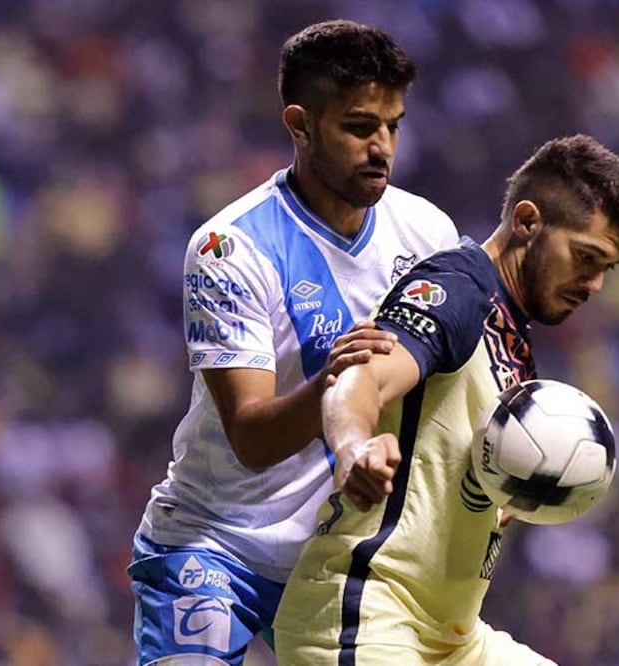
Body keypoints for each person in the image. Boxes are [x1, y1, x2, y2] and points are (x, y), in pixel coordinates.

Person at [127, 20, 460, 664]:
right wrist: (337, 381)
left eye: (393, 126)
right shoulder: (231, 248)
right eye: (359, 127)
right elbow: (252, 439)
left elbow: (455, 386)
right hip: (215, 542)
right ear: (300, 125)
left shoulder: (428, 234)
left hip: (335, 559)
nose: (382, 148)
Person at [272, 134, 619, 665]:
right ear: (527, 222)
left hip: (451, 638)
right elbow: (361, 375)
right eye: (586, 258)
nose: (595, 286)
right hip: (369, 618)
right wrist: (354, 446)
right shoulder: (458, 290)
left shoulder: (513, 342)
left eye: (608, 268)